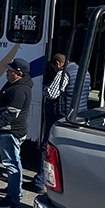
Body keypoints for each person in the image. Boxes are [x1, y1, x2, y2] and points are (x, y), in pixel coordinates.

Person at [29, 53, 90, 192]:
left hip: (60, 115)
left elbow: (52, 93)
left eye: (54, 68)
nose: (55, 70)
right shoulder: (85, 71)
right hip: (78, 115)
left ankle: (40, 181)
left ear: (58, 64)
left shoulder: (63, 74)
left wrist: (45, 89)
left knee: (47, 147)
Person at [0, 58, 33, 208]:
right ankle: (14, 189)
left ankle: (13, 199)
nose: (7, 72)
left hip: (10, 132)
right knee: (15, 162)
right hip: (9, 131)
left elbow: (12, 113)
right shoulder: (16, 84)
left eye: (10, 70)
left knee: (11, 164)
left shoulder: (19, 90)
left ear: (19, 73)